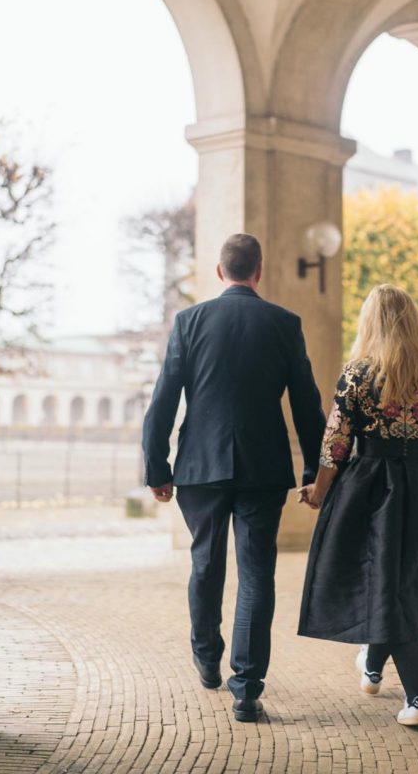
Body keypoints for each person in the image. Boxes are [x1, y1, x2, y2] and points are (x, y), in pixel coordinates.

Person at [142, 233, 326, 723]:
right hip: (263, 468)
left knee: (205, 563)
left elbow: (163, 401)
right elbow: (308, 405)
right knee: (257, 573)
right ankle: (246, 688)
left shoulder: (189, 321)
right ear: (258, 272)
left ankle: (206, 659)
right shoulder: (284, 324)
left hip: (199, 468)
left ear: (220, 272)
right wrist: (315, 472)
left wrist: (156, 469)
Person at [298, 284, 418, 727]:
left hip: (372, 491)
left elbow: (334, 443)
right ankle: (372, 667)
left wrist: (318, 491)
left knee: (389, 587)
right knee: (399, 584)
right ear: (413, 322)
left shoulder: (357, 374)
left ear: (370, 323)